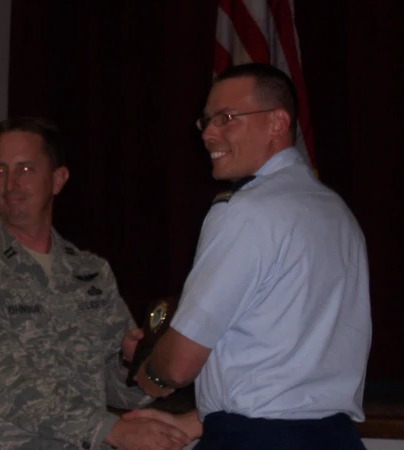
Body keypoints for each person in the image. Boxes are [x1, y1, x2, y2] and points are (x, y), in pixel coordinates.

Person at [135, 63, 372, 449]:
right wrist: (198, 421)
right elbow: (285, 366)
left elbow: (178, 365)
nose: (209, 133)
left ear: (278, 123)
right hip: (335, 438)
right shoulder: (338, 214)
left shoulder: (244, 212)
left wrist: (150, 366)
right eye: (206, 121)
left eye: (226, 118)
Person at [0, 117, 200, 449]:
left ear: (58, 179)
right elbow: (8, 385)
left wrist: (129, 363)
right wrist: (112, 430)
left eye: (25, 169)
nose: (10, 184)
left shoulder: (91, 273)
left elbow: (120, 392)